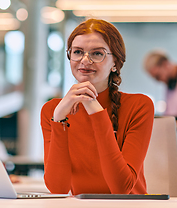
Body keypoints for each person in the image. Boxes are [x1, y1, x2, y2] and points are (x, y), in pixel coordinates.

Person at [41, 19, 154, 195]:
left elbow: (121, 188)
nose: (85, 61)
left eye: (97, 54)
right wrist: (58, 120)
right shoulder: (53, 110)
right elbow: (58, 188)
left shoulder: (139, 106)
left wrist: (95, 109)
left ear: (115, 63)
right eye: (77, 52)